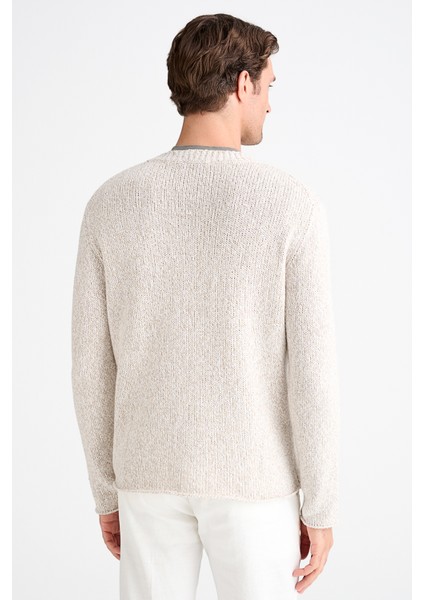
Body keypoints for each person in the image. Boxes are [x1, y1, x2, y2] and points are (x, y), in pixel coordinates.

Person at [71, 12, 341, 599]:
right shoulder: (291, 205)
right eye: (268, 87)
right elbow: (312, 372)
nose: (269, 104)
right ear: (243, 84)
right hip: (255, 480)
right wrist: (320, 504)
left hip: (147, 474)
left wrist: (106, 491)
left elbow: (92, 366)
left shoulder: (111, 203)